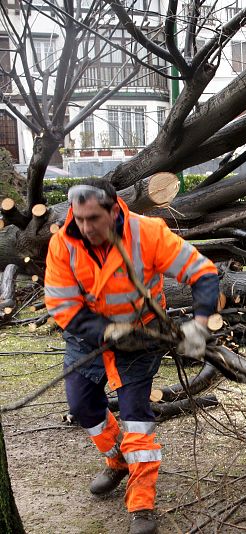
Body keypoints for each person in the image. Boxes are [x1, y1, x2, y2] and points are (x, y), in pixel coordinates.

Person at [44, 178, 219, 534]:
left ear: (113, 210)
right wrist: (105, 332)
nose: (85, 227)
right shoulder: (63, 243)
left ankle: (141, 503)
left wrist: (199, 326)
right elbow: (62, 304)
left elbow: (203, 273)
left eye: (93, 218)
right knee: (83, 407)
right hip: (87, 337)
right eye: (79, 218)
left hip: (142, 337)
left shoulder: (147, 233)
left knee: (136, 417)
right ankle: (117, 459)